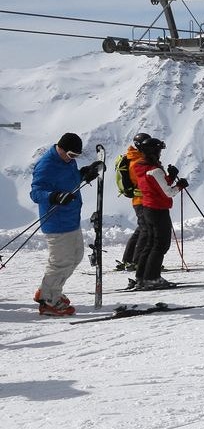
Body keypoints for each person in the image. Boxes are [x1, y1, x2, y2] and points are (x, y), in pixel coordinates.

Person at [29, 132, 103, 317]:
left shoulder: (67, 161)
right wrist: (54, 196)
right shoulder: (46, 165)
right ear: (60, 148)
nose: (73, 158)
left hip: (71, 219)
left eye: (76, 156)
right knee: (60, 263)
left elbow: (69, 180)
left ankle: (48, 290)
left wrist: (84, 173)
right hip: (56, 222)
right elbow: (36, 193)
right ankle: (48, 301)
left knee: (76, 256)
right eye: (71, 155)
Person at [131, 137, 189, 290]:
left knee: (151, 243)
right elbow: (168, 192)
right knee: (161, 244)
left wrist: (170, 177)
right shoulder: (155, 170)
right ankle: (152, 278)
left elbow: (157, 186)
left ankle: (141, 276)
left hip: (147, 208)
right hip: (158, 210)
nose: (160, 154)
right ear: (154, 152)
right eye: (159, 151)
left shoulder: (141, 167)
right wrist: (180, 185)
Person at [115, 132, 151, 272]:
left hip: (139, 200)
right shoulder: (137, 162)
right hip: (142, 200)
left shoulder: (135, 158)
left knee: (142, 229)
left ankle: (128, 259)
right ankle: (137, 262)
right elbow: (145, 182)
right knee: (146, 231)